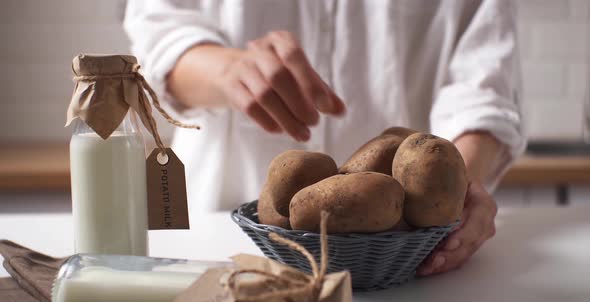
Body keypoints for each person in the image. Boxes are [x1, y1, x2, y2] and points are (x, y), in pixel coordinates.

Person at [124, 0, 526, 276]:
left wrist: (454, 193)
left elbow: (484, 85)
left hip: (405, 255)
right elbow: (157, 33)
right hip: (214, 241)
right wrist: (228, 70)